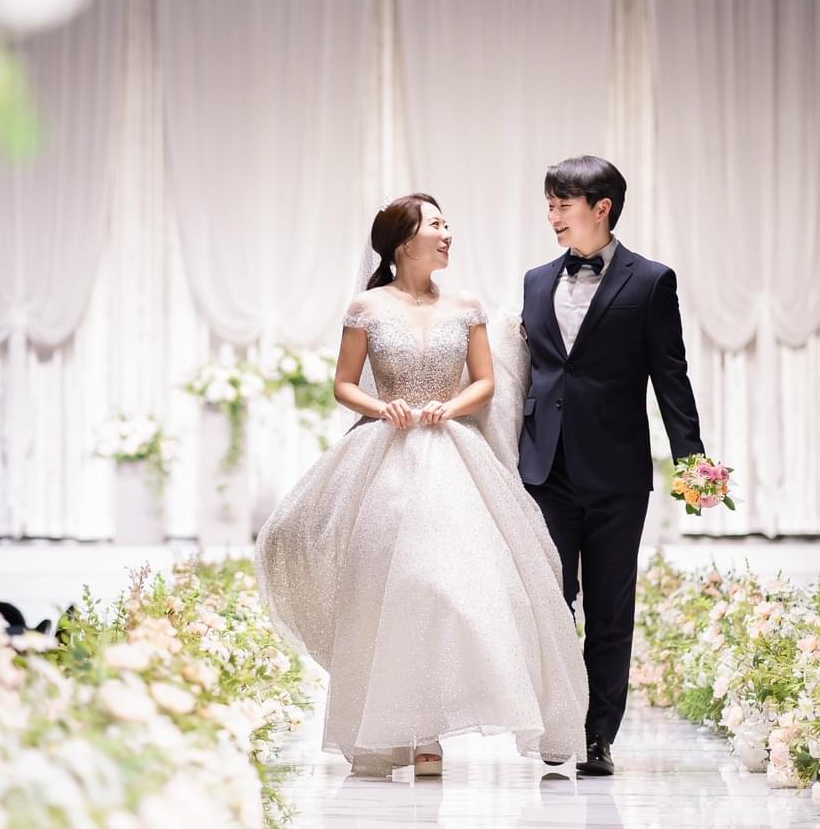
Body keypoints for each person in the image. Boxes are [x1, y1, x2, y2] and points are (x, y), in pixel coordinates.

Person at [255, 193, 587, 777]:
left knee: (451, 588)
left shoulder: (465, 305)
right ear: (405, 241)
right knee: (390, 589)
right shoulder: (367, 307)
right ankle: (403, 731)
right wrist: (382, 407)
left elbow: (484, 382)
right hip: (385, 458)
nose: (448, 233)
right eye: (437, 224)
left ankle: (435, 726)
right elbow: (344, 384)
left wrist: (449, 406)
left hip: (454, 453)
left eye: (447, 223)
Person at [519, 156, 706, 776]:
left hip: (617, 474)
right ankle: (557, 723)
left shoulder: (650, 281)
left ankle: (597, 736)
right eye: (549, 205)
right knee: (550, 601)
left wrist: (692, 462)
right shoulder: (535, 280)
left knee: (608, 608)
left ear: (601, 208)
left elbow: (671, 377)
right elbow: (531, 374)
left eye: (562, 205)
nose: (552, 217)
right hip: (544, 470)